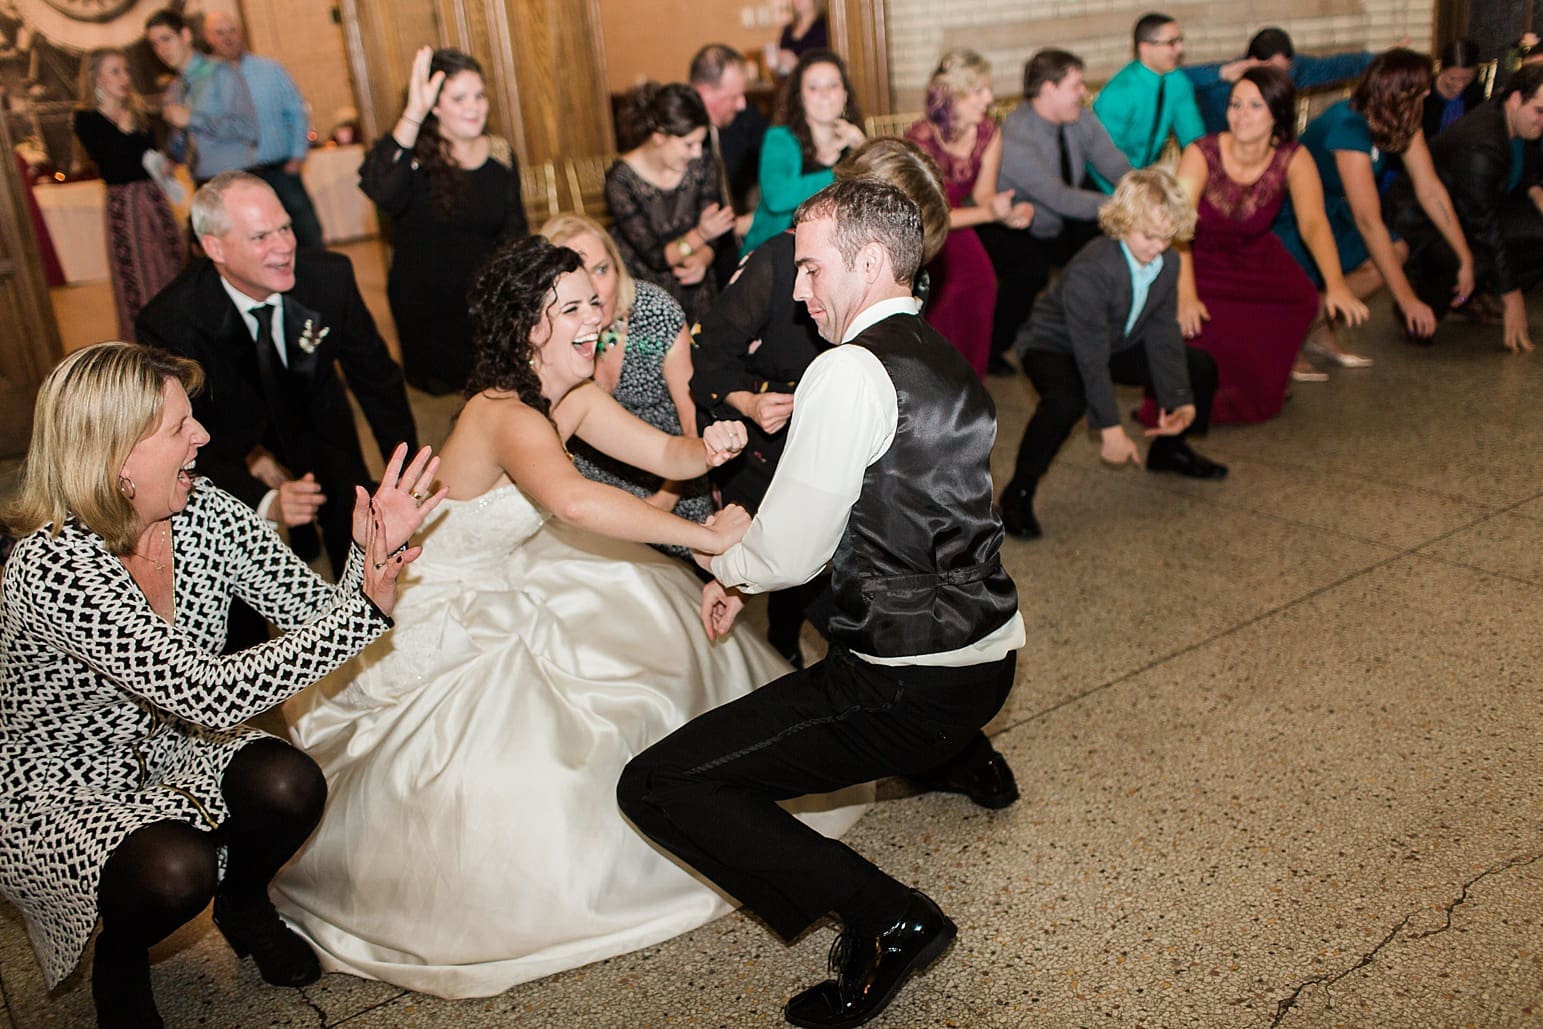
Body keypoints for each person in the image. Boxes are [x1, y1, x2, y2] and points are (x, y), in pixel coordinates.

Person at [271, 235, 869, 998]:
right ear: (528, 328)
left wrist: (710, 444)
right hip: (433, 597)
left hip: (509, 572)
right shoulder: (501, 412)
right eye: (574, 309)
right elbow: (572, 499)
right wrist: (705, 538)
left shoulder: (573, 396)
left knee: (645, 656)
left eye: (595, 301)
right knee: (506, 756)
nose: (596, 318)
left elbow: (666, 454)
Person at [620, 178, 1025, 1029]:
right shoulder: (936, 349)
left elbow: (791, 550)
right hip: (986, 658)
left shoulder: (846, 369)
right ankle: (950, 756)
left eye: (809, 270)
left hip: (902, 680)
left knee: (659, 782)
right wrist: (745, 570)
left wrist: (722, 556)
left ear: (870, 262)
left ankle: (886, 914)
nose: (798, 297)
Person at [0, 342, 440, 1029]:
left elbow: (308, 611)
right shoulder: (55, 562)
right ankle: (122, 958)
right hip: (59, 782)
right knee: (176, 869)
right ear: (118, 457)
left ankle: (244, 903)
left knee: (290, 783)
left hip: (170, 742)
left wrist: (367, 553)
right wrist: (365, 612)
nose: (202, 435)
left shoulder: (202, 509)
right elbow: (205, 691)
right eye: (179, 426)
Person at [691, 137, 950, 664]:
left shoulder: (903, 278)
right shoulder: (777, 265)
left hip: (853, 456)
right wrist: (748, 400)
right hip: (767, 454)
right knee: (830, 610)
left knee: (824, 596)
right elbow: (706, 361)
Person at [135, 172, 419, 579]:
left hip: (322, 419)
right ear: (213, 246)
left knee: (352, 522)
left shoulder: (329, 278)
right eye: (260, 237)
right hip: (232, 441)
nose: (285, 247)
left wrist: (404, 475)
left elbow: (377, 380)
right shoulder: (170, 322)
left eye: (285, 227)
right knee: (242, 560)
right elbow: (178, 434)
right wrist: (264, 498)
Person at [999, 169, 1227, 540]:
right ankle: (1018, 493)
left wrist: (1177, 398)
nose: (1158, 245)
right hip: (1053, 343)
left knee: (1198, 368)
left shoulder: (1167, 262)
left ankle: (1170, 450)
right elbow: (1090, 358)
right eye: (1148, 235)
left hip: (1115, 338)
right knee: (1065, 401)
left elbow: (1161, 328)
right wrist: (1110, 428)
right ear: (1122, 224)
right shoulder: (1092, 270)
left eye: (1167, 236)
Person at [1162, 68, 1368, 423]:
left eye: (1254, 106)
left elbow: (1314, 223)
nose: (1241, 114)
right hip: (1198, 255)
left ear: (1277, 113)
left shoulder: (1293, 158)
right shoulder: (1201, 152)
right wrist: (1186, 294)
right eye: (1235, 104)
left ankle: (1263, 379)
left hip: (1255, 251)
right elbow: (1178, 228)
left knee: (1302, 300)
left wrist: (1336, 284)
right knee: (1201, 325)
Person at [1278, 50, 1473, 360]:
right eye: (1421, 87)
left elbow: (1430, 189)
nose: (1427, 91)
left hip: (1332, 209)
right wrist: (1407, 299)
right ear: (1399, 92)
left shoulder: (1401, 117)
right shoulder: (1349, 127)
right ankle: (1287, 336)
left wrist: (1465, 257)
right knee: (1382, 256)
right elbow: (1368, 222)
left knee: (1395, 252)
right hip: (1294, 213)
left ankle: (1311, 328)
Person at [542, 212, 713, 553]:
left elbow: (692, 420)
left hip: (671, 473)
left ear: (617, 266)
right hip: (590, 484)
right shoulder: (550, 328)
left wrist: (666, 498)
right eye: (574, 274)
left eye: (602, 269)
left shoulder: (654, 313)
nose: (594, 288)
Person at [360, 46, 527, 395]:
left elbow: (515, 230)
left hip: (484, 302)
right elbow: (381, 191)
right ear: (434, 105)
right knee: (441, 404)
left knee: (494, 392)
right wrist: (413, 113)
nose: (474, 106)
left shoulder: (500, 153)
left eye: (479, 95)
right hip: (428, 306)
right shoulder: (411, 156)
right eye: (459, 98)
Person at [987, 48, 1131, 371]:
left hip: (1061, 217)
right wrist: (1128, 205)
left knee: (1111, 244)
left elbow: (1112, 162)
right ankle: (993, 348)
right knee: (1029, 272)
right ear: (1049, 90)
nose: (1084, 93)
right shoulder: (1016, 137)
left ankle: (1105, 333)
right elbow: (1059, 197)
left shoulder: (1080, 117)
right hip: (1015, 223)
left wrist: (1141, 188)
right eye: (1076, 85)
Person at [1386, 63, 1543, 353]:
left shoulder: (1519, 121)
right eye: (1540, 111)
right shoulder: (1481, 146)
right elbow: (1485, 225)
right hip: (1426, 225)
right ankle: (1421, 303)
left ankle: (1476, 292)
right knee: (1481, 259)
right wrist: (1512, 296)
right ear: (1516, 99)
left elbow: (1526, 172)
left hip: (1470, 214)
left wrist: (1536, 191)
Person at [904, 48, 1031, 377]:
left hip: (960, 221)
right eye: (979, 90)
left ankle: (971, 381)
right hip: (925, 227)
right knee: (949, 291)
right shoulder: (920, 138)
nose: (988, 98)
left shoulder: (988, 132)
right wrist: (991, 215)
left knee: (982, 283)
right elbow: (930, 216)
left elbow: (982, 194)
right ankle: (934, 379)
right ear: (952, 95)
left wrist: (1005, 210)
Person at [71, 48, 185, 341]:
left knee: (170, 265)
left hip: (153, 199)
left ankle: (180, 332)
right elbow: (114, 161)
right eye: (115, 71)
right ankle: (145, 341)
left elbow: (148, 156)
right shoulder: (87, 119)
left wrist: (164, 164)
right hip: (124, 205)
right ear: (97, 77)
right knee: (137, 274)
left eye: (125, 70)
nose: (124, 78)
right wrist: (124, 127)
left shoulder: (139, 113)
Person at [607, 82, 734, 325]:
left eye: (700, 143)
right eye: (689, 144)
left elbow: (715, 231)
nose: (697, 152)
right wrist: (700, 235)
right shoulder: (621, 181)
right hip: (644, 297)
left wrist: (704, 258)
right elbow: (655, 257)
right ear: (659, 137)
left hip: (698, 293)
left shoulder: (701, 165)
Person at [203, 11, 325, 250]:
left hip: (280, 171)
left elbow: (297, 111)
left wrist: (297, 157)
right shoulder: (206, 82)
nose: (228, 38)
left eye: (232, 30)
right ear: (209, 38)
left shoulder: (270, 70)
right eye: (220, 32)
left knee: (307, 235)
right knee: (251, 246)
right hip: (235, 179)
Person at [742, 49, 866, 254]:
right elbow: (777, 197)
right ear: (800, 98)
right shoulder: (780, 139)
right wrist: (842, 174)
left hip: (839, 253)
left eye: (833, 85)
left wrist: (863, 149)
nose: (825, 94)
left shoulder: (855, 143)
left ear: (845, 94)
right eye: (814, 88)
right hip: (776, 254)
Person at [1184, 27, 1376, 135]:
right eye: (1273, 71)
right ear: (1251, 63)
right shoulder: (1220, 86)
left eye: (1284, 71)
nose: (1279, 79)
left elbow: (1343, 65)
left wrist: (1387, 61)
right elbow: (1172, 79)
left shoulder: (1292, 73)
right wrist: (1221, 73)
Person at [144, 9, 258, 184]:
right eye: (155, 44)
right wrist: (172, 155)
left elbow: (248, 129)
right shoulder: (174, 89)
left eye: (166, 39)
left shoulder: (220, 71)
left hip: (236, 176)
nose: (162, 49)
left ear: (186, 35)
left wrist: (192, 119)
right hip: (201, 179)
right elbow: (184, 148)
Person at [1091, 12, 1204, 187]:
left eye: (1180, 40)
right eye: (1171, 43)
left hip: (1146, 178)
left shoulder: (1177, 81)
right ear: (1145, 48)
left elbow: (1195, 141)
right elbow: (1100, 157)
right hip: (1105, 185)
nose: (1180, 49)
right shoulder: (1118, 93)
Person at [689, 44, 768, 286]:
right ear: (705, 93)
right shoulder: (682, 141)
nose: (741, 104)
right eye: (734, 96)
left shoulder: (737, 123)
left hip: (727, 248)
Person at [1425, 40, 1487, 141]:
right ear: (1441, 67)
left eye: (1467, 78)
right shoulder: (1425, 92)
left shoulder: (1475, 91)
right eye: (1453, 78)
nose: (1460, 85)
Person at [772, 0, 828, 76]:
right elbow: (781, 68)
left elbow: (825, 62)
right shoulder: (788, 29)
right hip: (791, 83)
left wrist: (797, 64)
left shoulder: (824, 26)